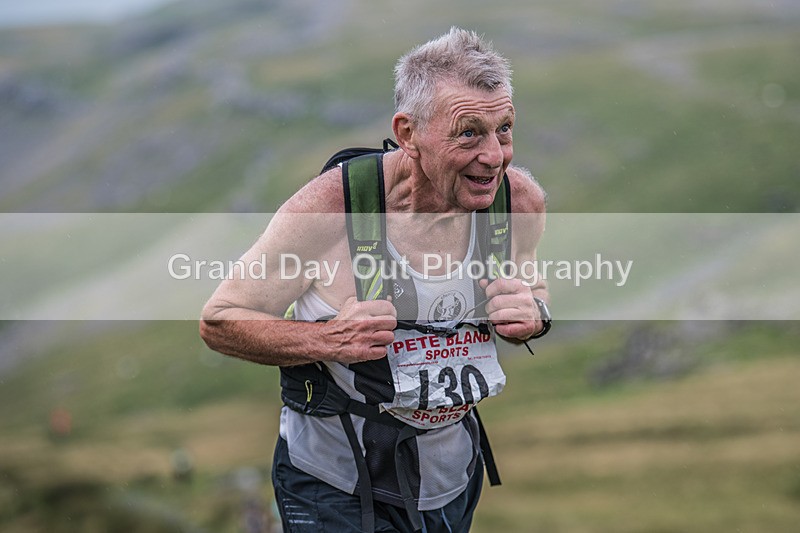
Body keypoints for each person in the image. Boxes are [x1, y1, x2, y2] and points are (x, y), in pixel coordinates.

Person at [200, 27, 550, 533]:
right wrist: (329, 339)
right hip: (332, 483)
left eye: (505, 129)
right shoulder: (329, 210)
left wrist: (535, 315)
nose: (494, 155)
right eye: (468, 132)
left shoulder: (518, 204)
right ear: (408, 134)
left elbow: (534, 290)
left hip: (448, 478)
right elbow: (220, 320)